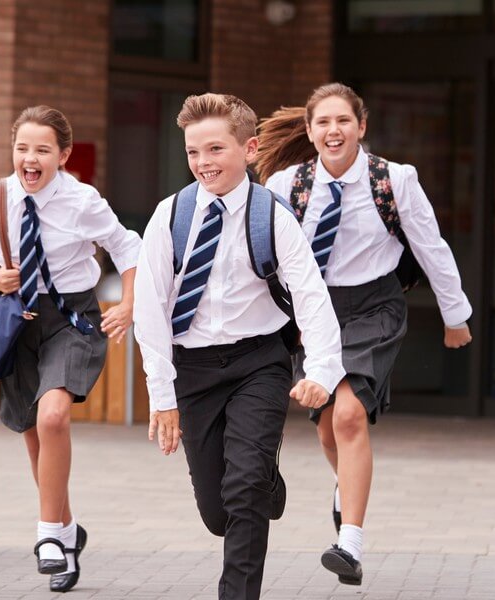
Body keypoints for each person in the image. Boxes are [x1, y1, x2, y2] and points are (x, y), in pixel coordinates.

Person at [257, 82, 473, 585]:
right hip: (315, 311)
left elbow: (431, 246)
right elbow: (264, 256)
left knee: (349, 414)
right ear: (309, 130)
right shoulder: (287, 185)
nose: (334, 131)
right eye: (323, 122)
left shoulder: (394, 179)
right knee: (326, 425)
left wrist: (455, 315)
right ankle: (345, 484)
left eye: (343, 121)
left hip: (375, 306)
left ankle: (349, 543)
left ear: (362, 126)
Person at [134, 92, 344, 600]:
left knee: (243, 487)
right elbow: (149, 308)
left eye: (215, 149)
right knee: (218, 511)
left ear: (249, 149)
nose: (203, 162)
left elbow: (310, 294)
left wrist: (321, 370)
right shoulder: (171, 215)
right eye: (193, 152)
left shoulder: (272, 215)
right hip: (194, 369)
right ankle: (265, 480)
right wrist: (162, 395)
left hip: (259, 363)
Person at [0, 106, 140, 592]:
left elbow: (127, 246)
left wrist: (128, 302)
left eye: (42, 150)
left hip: (72, 319)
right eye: (22, 148)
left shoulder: (82, 201)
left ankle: (46, 535)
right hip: (17, 320)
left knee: (53, 417)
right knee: (33, 435)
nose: (30, 158)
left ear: (62, 155)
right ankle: (66, 532)